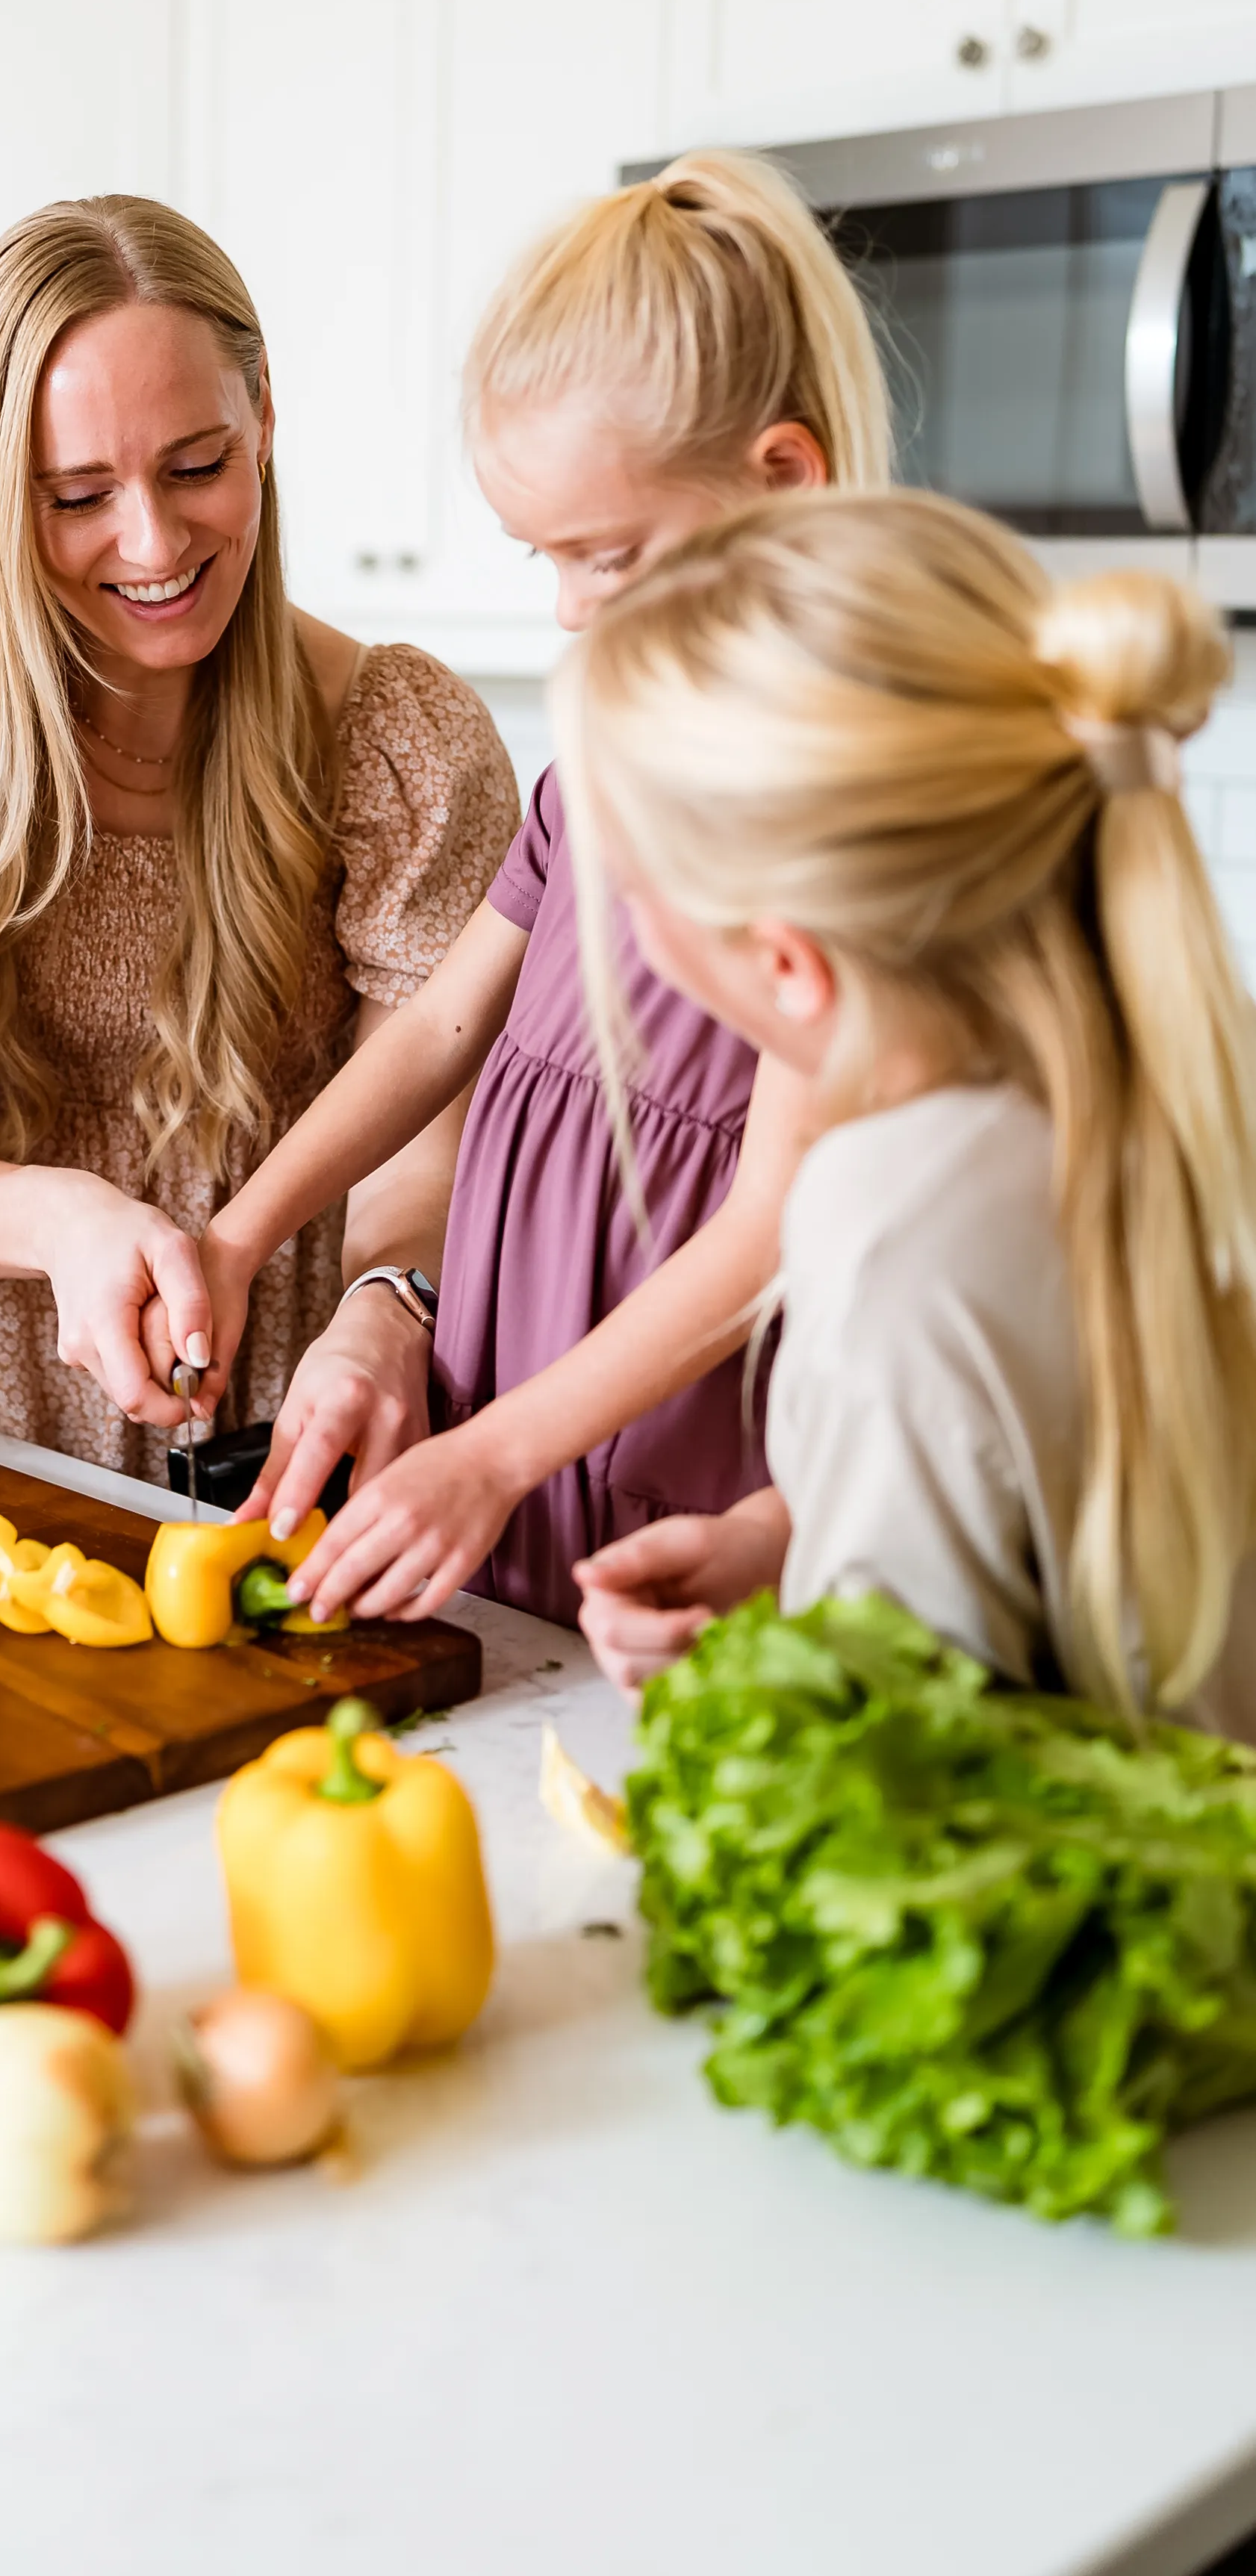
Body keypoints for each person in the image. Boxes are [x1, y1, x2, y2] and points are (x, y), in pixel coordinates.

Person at [185, 149, 891, 1625]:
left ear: (784, 480)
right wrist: (242, 1230)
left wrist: (498, 1450)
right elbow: (443, 1029)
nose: (567, 605)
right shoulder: (599, 778)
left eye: (606, 554)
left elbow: (768, 1223)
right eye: (542, 558)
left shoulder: (846, 813)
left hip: (673, 1458)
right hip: (510, 1451)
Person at [0, 194, 517, 1483]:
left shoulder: (396, 740)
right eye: (77, 493)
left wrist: (390, 1302)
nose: (154, 542)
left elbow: (427, 1135)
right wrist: (63, 1217)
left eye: (197, 465)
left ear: (264, 416)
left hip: (277, 1424)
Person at [563, 491, 1256, 1737]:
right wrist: (794, 1534)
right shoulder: (1189, 1059)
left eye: (635, 887)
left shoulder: (884, 1228)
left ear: (785, 965)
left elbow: (913, 1787)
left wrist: (782, 1683)